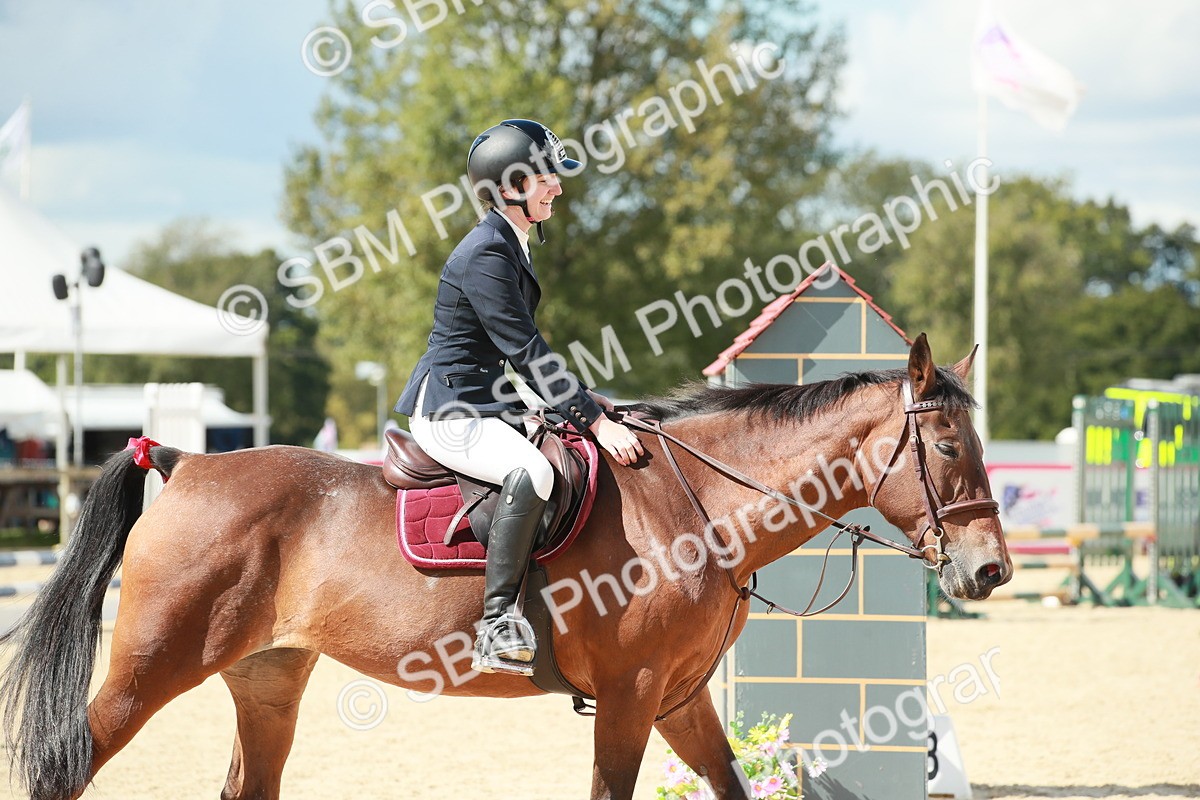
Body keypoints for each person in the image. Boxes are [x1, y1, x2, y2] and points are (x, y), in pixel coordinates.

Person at [394, 119, 644, 676]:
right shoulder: (487, 253)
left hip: (484, 399)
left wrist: (587, 403)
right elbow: (525, 350)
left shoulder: (509, 243)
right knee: (534, 472)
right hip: (450, 409)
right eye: (547, 176)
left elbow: (519, 358)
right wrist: (596, 424)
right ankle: (497, 621)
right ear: (511, 187)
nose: (557, 186)